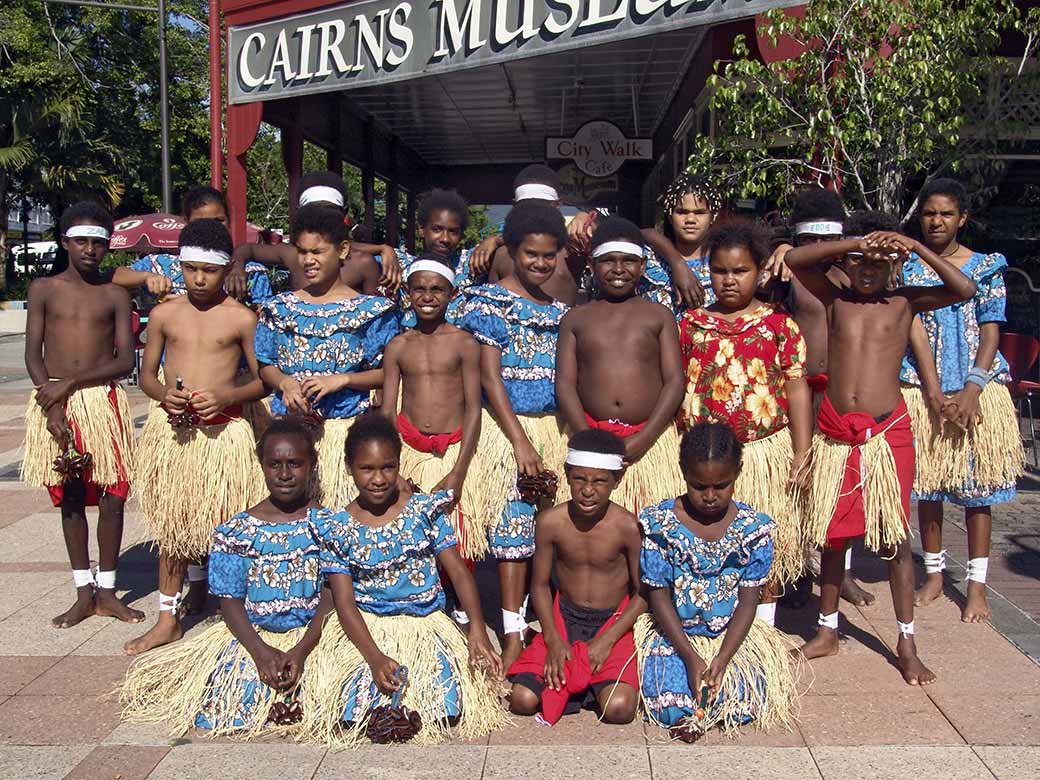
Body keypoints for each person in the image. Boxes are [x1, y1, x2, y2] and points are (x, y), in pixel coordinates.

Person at [785, 210, 977, 685]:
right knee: (832, 535)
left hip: (887, 432)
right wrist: (854, 242)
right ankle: (827, 630)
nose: (867, 270)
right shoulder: (834, 299)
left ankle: (906, 640)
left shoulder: (906, 301)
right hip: (834, 432)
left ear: (895, 266)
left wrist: (913, 247)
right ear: (846, 265)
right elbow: (795, 258)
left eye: (878, 263)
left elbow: (964, 289)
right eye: (859, 263)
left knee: (894, 540)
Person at [118, 419, 335, 736]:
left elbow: (332, 595)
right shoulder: (237, 532)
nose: (285, 474)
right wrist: (260, 653)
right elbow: (229, 601)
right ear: (260, 464)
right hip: (255, 636)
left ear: (312, 464)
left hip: (313, 637)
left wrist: (302, 649)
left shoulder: (331, 526)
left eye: (295, 464)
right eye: (274, 464)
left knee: (340, 696)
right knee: (234, 698)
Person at [306, 413, 504, 745]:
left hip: (423, 625)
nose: (379, 478)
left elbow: (458, 572)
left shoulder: (423, 512)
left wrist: (477, 629)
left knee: (445, 709)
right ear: (348, 468)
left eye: (387, 467)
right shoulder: (338, 527)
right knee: (351, 709)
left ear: (399, 464)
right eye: (366, 469)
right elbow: (344, 603)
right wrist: (374, 657)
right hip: (368, 631)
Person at [125, 218, 267, 655]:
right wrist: (164, 395)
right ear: (180, 266)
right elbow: (146, 376)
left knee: (231, 529)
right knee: (173, 527)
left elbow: (264, 381)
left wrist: (227, 393)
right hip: (176, 436)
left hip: (225, 436)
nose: (198, 279)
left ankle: (236, 615)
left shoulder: (243, 318)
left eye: (208, 271)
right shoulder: (165, 313)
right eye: (190, 269)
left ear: (226, 270)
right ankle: (167, 617)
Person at [675, 218, 812, 624]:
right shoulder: (691, 324)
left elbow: (797, 387)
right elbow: (675, 385)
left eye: (740, 271)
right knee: (706, 541)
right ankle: (707, 620)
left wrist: (801, 451)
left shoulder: (779, 324)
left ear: (759, 271)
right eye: (720, 271)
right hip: (703, 457)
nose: (729, 280)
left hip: (763, 450)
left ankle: (763, 629)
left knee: (765, 541)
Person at [900, 179, 1024, 623]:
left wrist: (972, 388)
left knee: (978, 492)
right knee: (928, 488)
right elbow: (912, 327)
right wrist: (932, 390)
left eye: (946, 214)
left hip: (977, 386)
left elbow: (991, 328)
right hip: (924, 386)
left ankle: (976, 587)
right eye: (930, 213)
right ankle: (933, 575)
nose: (936, 221)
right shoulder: (910, 271)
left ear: (962, 218)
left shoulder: (987, 267)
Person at [456, 200, 571, 671]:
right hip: (507, 433)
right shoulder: (488, 303)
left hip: (555, 429)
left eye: (549, 256)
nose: (540, 264)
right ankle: (510, 634)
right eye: (531, 255)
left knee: (551, 532)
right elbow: (490, 379)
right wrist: (520, 441)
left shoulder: (563, 310)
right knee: (513, 534)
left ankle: (546, 622)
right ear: (512, 251)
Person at [637, 422, 799, 742]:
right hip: (676, 637)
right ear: (683, 471)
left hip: (729, 637)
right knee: (670, 701)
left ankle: (715, 696)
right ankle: (689, 712)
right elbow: (658, 596)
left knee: (742, 700)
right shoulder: (661, 526)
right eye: (699, 486)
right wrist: (690, 655)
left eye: (721, 486)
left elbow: (749, 601)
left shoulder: (753, 530)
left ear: (738, 472)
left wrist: (722, 659)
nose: (710, 496)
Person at [22, 201, 140, 628]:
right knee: (69, 496)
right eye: (82, 241)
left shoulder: (114, 294)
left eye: (99, 243)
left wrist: (69, 386)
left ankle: (108, 591)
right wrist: (49, 399)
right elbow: (32, 353)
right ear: (65, 242)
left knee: (113, 495)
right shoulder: (44, 289)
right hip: (53, 399)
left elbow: (125, 361)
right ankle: (82, 593)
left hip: (98, 402)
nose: (91, 250)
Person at [764, 188, 876, 608]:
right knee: (798, 482)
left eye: (825, 240)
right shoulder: (786, 276)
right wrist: (781, 252)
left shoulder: (858, 277)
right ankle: (793, 570)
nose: (818, 249)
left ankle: (839, 574)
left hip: (844, 396)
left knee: (839, 488)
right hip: (799, 391)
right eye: (808, 241)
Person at [255, 204, 400, 509]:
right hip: (289, 441)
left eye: (318, 252)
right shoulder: (278, 308)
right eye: (302, 251)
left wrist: (343, 379)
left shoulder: (371, 311)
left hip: (343, 436)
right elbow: (265, 363)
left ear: (343, 249)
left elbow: (389, 373)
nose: (308, 260)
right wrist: (285, 383)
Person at [507, 429, 644, 726]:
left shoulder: (628, 527)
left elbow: (642, 593)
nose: (588, 490)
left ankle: (588, 682)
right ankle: (573, 678)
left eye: (599, 481)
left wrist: (607, 641)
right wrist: (554, 640)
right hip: (564, 620)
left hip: (612, 623)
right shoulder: (550, 522)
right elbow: (540, 586)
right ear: (568, 475)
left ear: (616, 481)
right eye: (580, 479)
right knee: (522, 700)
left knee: (619, 709)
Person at [555, 216, 685, 512]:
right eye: (608, 261)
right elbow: (564, 384)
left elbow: (675, 381)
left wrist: (646, 437)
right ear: (591, 265)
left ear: (642, 266)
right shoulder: (575, 318)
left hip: (649, 439)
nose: (618, 270)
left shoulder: (659, 315)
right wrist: (585, 436)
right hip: (588, 437)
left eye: (628, 261)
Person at [380, 255, 483, 563]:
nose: (427, 296)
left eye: (437, 289)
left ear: (452, 294)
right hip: (409, 451)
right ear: (407, 293)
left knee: (459, 539)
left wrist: (459, 472)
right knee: (410, 540)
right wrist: (394, 468)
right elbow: (387, 411)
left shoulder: (464, 343)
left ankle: (460, 604)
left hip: (452, 451)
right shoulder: (397, 346)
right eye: (419, 289)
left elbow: (474, 409)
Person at [229, 172, 401, 294]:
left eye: (329, 212)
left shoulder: (362, 263)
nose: (321, 220)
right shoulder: (291, 254)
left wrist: (383, 249)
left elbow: (376, 321)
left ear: (344, 213)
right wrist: (236, 267)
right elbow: (247, 249)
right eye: (313, 212)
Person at [112, 186, 274, 305]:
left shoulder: (251, 273)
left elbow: (263, 328)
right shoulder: (162, 266)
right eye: (201, 222)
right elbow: (111, 276)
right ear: (186, 222)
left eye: (219, 221)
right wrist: (147, 277)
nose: (210, 228)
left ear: (229, 221)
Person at [641, 173, 727, 314]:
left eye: (699, 213)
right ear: (670, 215)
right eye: (682, 212)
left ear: (712, 216)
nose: (690, 219)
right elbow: (629, 233)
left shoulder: (725, 260)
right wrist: (677, 262)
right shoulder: (649, 259)